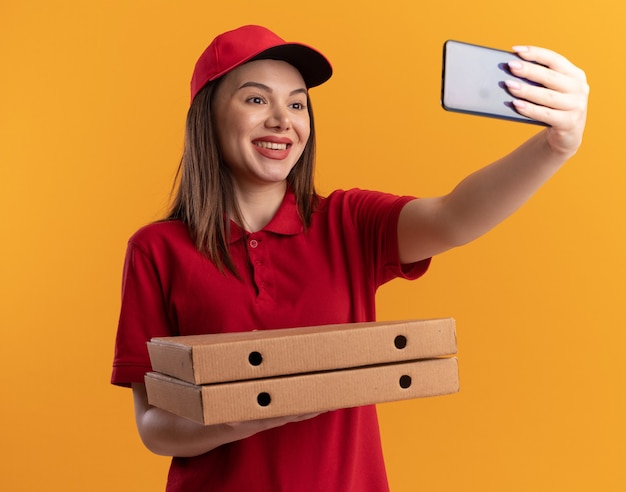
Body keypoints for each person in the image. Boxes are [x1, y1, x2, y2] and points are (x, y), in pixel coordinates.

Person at [111, 24, 588, 491]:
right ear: (208, 115)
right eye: (257, 99)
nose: (283, 120)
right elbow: (154, 425)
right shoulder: (157, 250)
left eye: (297, 104)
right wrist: (250, 411)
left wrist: (554, 146)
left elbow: (454, 218)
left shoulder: (348, 222)